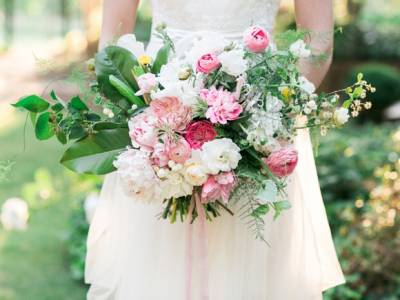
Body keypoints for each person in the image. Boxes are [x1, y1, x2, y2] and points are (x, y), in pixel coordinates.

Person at [86, 0, 345, 299]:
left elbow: (318, 44)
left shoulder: (263, 118)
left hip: (259, 120)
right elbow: (113, 40)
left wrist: (265, 115)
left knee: (252, 259)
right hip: (160, 119)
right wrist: (147, 113)